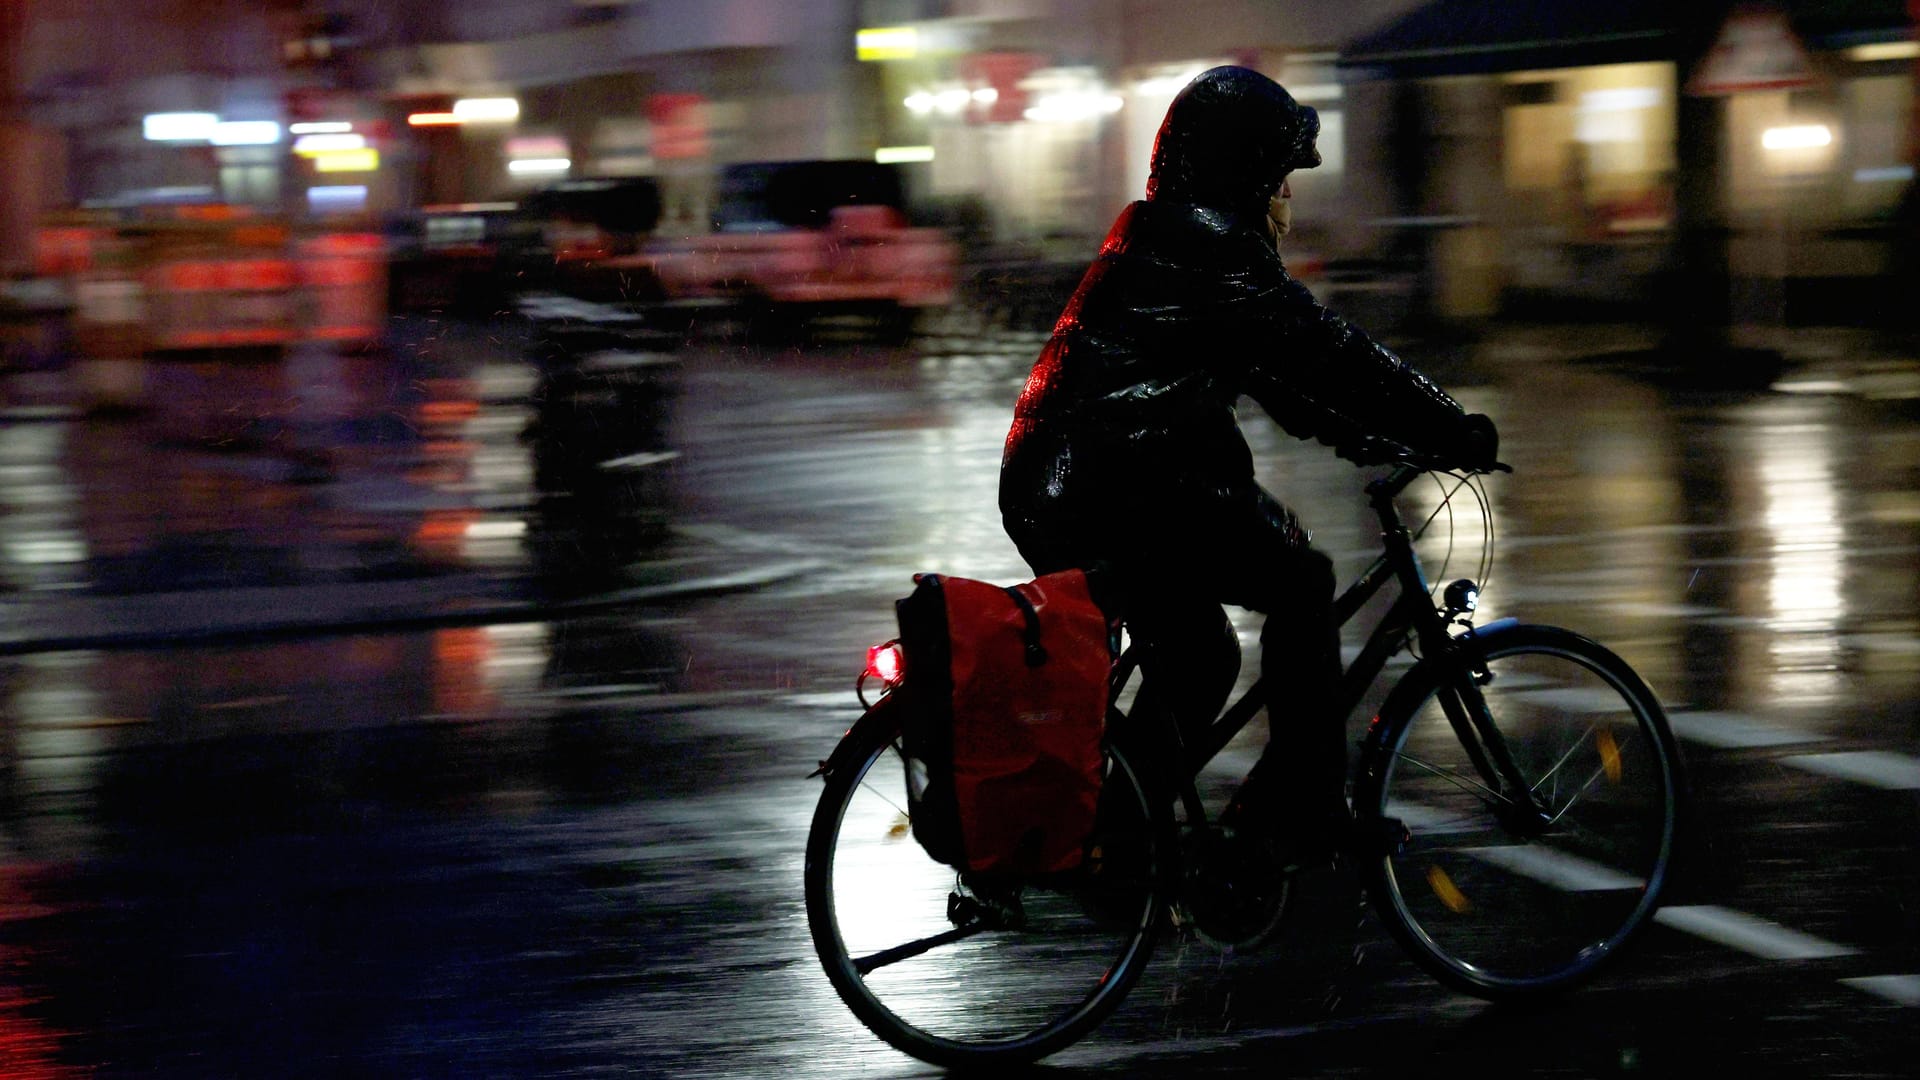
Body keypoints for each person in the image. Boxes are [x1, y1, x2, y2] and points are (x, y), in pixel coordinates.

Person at [998, 66, 1498, 875]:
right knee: (1301, 583)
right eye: (1278, 178)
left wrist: (1370, 440)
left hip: (1074, 484)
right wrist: (1447, 425)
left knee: (1200, 657)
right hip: (1116, 486)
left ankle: (1118, 850)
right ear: (1238, 172)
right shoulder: (1208, 250)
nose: (1286, 201)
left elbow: (1282, 382)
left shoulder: (1169, 244)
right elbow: (1324, 351)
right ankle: (1302, 812)